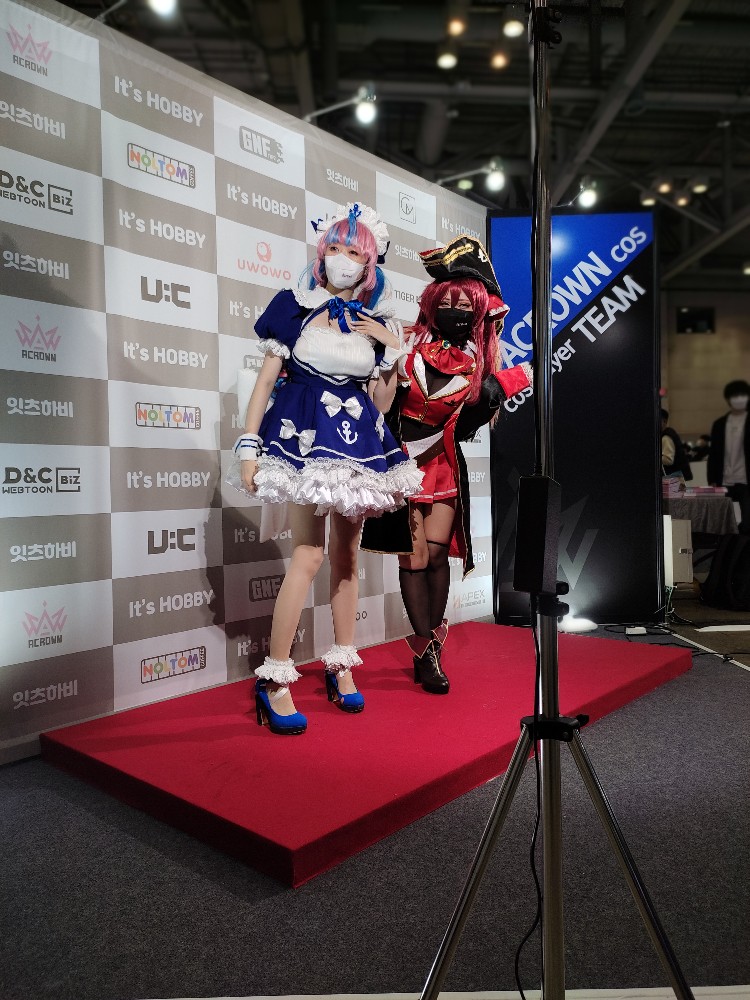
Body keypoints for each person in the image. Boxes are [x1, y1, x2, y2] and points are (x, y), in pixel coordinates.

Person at [228, 203, 423, 734]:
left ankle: (342, 665)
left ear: (369, 262)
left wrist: (393, 350)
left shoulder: (378, 323)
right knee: (308, 555)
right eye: (333, 248)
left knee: (347, 557)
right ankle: (276, 678)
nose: (341, 258)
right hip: (302, 438)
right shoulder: (293, 306)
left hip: (357, 441)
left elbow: (380, 402)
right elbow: (265, 381)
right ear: (321, 253)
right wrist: (248, 447)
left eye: (353, 251)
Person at [361, 236, 532, 693]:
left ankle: (432, 647)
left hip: (443, 466)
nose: (454, 310)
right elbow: (380, 408)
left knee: (438, 556)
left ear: (477, 313)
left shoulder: (478, 368)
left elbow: (470, 424)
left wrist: (503, 385)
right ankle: (424, 649)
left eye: (464, 304)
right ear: (432, 304)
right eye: (447, 302)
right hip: (402, 465)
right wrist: (387, 359)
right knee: (414, 557)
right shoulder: (408, 351)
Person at [707, 379, 750, 534]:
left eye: (742, 395)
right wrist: (712, 479)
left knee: (748, 524)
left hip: (746, 481)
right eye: (735, 396)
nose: (738, 399)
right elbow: (714, 453)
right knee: (723, 524)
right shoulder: (719, 424)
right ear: (728, 399)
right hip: (724, 479)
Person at [661, 408, 692, 480]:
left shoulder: (666, 437)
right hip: (679, 476)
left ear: (664, 421)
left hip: (675, 478)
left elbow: (668, 460)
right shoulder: (669, 433)